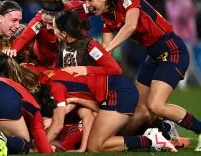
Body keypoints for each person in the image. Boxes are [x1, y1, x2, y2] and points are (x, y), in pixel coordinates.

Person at [82, 0, 201, 152]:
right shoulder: (107, 18)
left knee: (155, 105)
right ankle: (165, 131)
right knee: (138, 106)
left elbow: (130, 27)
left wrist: (107, 49)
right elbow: (107, 51)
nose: (87, 4)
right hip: (154, 55)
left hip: (173, 50)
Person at [25, 63, 176, 153]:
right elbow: (89, 113)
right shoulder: (49, 74)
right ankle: (154, 128)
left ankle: (151, 139)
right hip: (114, 91)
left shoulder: (54, 88)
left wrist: (39, 149)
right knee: (102, 139)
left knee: (96, 146)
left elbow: (57, 126)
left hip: (117, 92)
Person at [4, 0, 92, 67]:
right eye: (44, 23)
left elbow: (99, 6)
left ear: (61, 14)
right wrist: (13, 50)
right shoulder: (38, 21)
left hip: (66, 57)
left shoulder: (75, 8)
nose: (47, 27)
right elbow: (24, 37)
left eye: (50, 23)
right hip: (43, 59)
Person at [53, 10, 121, 76]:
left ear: (64, 33)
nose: (52, 30)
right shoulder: (61, 43)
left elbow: (115, 70)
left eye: (54, 28)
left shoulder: (91, 46)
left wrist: (86, 70)